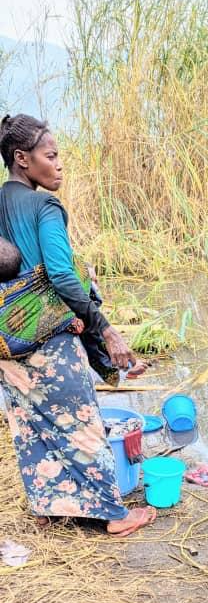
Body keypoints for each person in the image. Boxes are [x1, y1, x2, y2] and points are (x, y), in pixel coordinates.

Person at [0, 113, 155, 535]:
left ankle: (49, 506)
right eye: (51, 156)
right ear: (22, 159)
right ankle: (115, 514)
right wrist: (104, 327)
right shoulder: (44, 205)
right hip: (49, 338)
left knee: (31, 425)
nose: (60, 165)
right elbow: (62, 274)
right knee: (81, 421)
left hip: (8, 343)